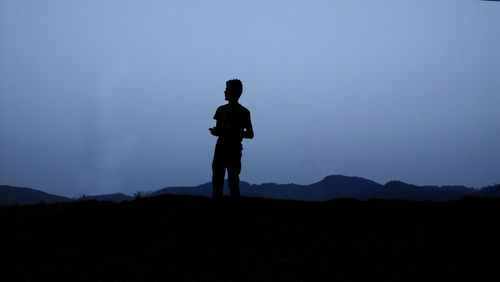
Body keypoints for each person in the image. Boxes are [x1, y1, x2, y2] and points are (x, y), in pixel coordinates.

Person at [209, 79, 254, 198]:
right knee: (217, 178)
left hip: (234, 149)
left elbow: (250, 134)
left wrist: (234, 133)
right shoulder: (221, 110)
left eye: (227, 89)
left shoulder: (244, 112)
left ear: (235, 91)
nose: (225, 91)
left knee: (233, 180)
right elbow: (219, 130)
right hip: (220, 148)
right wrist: (216, 132)